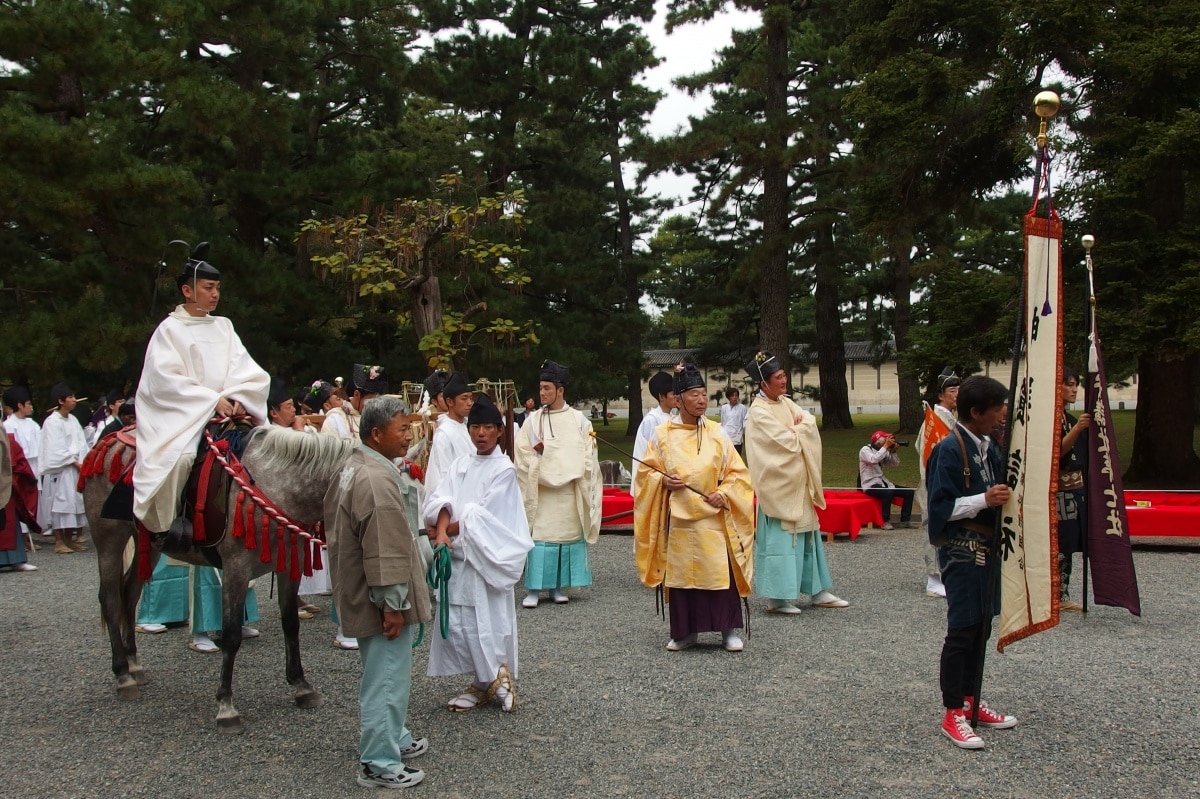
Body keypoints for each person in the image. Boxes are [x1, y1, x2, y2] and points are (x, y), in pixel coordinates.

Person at [325, 396, 433, 789]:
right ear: (376, 433)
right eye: (402, 429)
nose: (409, 436)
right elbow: (384, 547)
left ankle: (394, 736)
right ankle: (378, 762)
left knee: (385, 671)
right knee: (386, 676)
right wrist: (392, 604)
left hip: (363, 588)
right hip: (380, 597)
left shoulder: (359, 466)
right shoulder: (375, 478)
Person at [133, 249, 269, 538]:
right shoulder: (169, 330)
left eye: (217, 288)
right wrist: (210, 400)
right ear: (187, 290)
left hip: (228, 412)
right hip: (183, 417)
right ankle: (169, 527)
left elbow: (245, 368)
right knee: (180, 459)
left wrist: (236, 396)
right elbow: (164, 380)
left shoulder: (224, 326)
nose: (215, 294)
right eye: (208, 288)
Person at [634, 363, 755, 652]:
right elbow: (646, 474)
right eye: (694, 395)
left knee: (718, 574)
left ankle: (728, 630)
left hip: (712, 519)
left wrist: (723, 494)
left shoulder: (717, 433)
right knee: (682, 577)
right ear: (678, 400)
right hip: (679, 519)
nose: (701, 400)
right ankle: (685, 632)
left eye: (704, 394)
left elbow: (738, 474)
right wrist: (663, 482)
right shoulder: (662, 434)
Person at [424, 393, 533, 712]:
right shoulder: (461, 463)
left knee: (489, 620)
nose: (481, 433)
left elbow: (482, 517)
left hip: (485, 558)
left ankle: (499, 677)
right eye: (475, 427)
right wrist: (442, 531)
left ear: (500, 430)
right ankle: (482, 681)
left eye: (488, 427)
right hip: (458, 558)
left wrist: (446, 532)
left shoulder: (504, 470)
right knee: (461, 622)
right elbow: (442, 498)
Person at [926, 375, 1018, 750]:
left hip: (988, 545)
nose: (1002, 414)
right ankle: (952, 712)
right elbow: (939, 511)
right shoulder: (948, 449)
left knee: (981, 626)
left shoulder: (986, 446)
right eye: (997, 409)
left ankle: (970, 701)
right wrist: (984, 498)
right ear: (976, 412)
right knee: (962, 629)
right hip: (962, 549)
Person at [743, 351, 849, 615]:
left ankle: (817, 590)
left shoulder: (785, 403)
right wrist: (800, 431)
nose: (784, 380)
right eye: (778, 377)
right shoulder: (758, 412)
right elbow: (784, 445)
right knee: (780, 543)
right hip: (779, 487)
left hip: (797, 485)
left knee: (808, 538)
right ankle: (777, 598)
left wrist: (799, 429)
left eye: (783, 375)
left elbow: (809, 422)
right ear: (763, 383)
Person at [514, 360, 602, 608]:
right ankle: (533, 589)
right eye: (540, 388)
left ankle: (556, 587)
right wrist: (540, 469)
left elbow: (589, 455)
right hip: (541, 490)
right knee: (541, 538)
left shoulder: (579, 420)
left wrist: (574, 472)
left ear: (560, 390)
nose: (542, 393)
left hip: (569, 490)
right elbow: (522, 453)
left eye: (547, 388)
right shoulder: (532, 421)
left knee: (565, 537)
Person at [916, 368, 960, 598]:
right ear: (941, 394)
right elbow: (926, 452)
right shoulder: (934, 421)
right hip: (933, 482)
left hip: (949, 483)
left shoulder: (950, 419)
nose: (957, 394)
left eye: (958, 390)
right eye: (953, 390)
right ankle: (933, 578)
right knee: (933, 528)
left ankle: (946, 572)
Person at [38, 382, 90, 554]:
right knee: (60, 504)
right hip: (62, 470)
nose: (74, 400)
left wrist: (83, 461)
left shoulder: (73, 420)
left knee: (74, 504)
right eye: (70, 397)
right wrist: (74, 462)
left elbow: (81, 443)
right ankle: (59, 541)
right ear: (61, 401)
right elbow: (55, 448)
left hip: (75, 469)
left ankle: (69, 539)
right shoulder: (52, 422)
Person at [1057, 368, 1091, 613]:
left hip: (1076, 488)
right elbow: (1056, 452)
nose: (1073, 389)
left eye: (1075, 385)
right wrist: (1077, 430)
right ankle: (1056, 593)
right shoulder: (1051, 419)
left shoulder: (1068, 418)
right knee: (1060, 543)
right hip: (1059, 490)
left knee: (1070, 543)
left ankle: (1063, 590)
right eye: (1068, 384)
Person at [423, 372, 475, 497]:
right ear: (450, 402)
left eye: (470, 398)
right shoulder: (444, 433)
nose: (469, 403)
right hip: (455, 498)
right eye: (464, 398)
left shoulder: (469, 426)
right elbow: (443, 475)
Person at [4, 386, 43, 548]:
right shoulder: (8, 425)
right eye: (28, 403)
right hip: (20, 467)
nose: (31, 406)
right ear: (19, 405)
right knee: (19, 500)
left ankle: (31, 532)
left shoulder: (33, 424)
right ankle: (23, 537)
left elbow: (41, 445)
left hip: (33, 465)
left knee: (33, 499)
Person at [630, 371, 676, 498]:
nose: (676, 397)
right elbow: (649, 454)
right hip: (650, 480)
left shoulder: (672, 417)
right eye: (673, 394)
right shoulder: (652, 420)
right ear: (662, 397)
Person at [858, 430, 915, 529]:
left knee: (909, 492)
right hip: (869, 484)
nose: (888, 442)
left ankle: (905, 520)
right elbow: (873, 459)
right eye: (886, 440)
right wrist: (885, 447)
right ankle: (885, 521)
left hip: (882, 482)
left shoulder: (884, 451)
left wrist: (893, 451)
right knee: (887, 493)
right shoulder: (865, 450)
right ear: (878, 442)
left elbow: (894, 464)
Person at [1, 428, 40, 571]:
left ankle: (16, 559)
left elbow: (18, 462)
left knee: (9, 520)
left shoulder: (8, 438)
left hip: (4, 484)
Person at [718, 386, 748, 455]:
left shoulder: (742, 408)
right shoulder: (724, 407)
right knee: (726, 457)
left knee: (736, 457)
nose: (734, 397)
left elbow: (745, 422)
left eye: (736, 395)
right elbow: (723, 421)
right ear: (728, 397)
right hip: (726, 436)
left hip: (737, 437)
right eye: (732, 395)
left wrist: (741, 433)